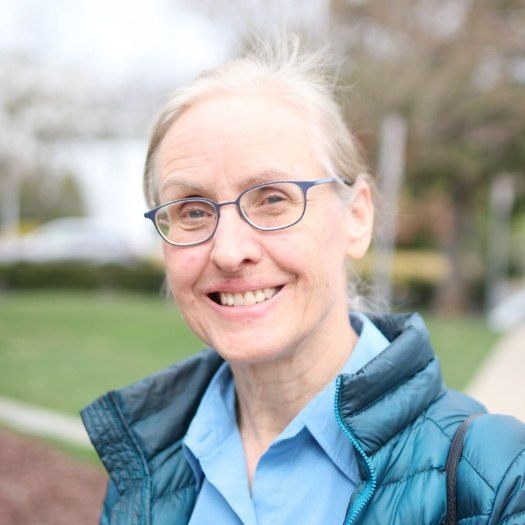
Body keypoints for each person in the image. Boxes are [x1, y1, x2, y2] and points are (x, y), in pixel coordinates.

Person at [81, 38, 525, 525]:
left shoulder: (495, 478)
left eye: (272, 199)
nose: (229, 252)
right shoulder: (144, 465)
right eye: (191, 210)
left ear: (356, 218)